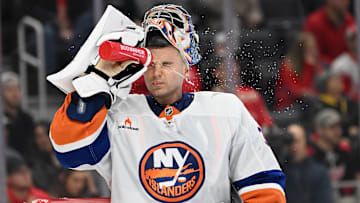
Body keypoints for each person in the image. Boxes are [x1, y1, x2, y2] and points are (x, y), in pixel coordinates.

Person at [49, 4, 285, 202]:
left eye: (167, 64)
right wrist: (97, 82)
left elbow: (263, 185)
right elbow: (71, 153)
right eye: (151, 65)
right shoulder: (118, 113)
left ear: (186, 65)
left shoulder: (226, 110)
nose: (157, 73)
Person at [284, 123, 333, 203]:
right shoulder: (280, 171)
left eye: (297, 141)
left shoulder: (319, 172)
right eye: (290, 141)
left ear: (306, 141)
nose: (294, 146)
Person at [303, 0, 355, 65]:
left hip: (346, 70)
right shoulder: (314, 23)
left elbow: (354, 53)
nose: (346, 2)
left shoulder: (350, 21)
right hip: (323, 71)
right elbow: (309, 55)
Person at [1, 71, 35, 160]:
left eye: (17, 89)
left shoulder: (27, 118)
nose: (15, 94)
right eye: (9, 90)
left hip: (26, 163)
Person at [331, 24, 358, 101]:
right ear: (347, 42)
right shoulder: (340, 64)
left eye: (357, 38)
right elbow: (341, 94)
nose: (356, 42)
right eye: (352, 39)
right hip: (349, 105)